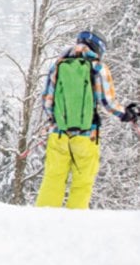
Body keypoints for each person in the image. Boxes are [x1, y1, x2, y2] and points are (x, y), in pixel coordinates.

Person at [35, 30, 138, 209]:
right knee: (82, 182)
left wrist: (56, 120)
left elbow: (47, 101)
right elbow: (108, 103)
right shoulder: (98, 67)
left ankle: (41, 223)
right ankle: (75, 226)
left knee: (53, 179)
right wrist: (127, 114)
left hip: (58, 134)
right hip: (87, 135)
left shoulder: (58, 65)